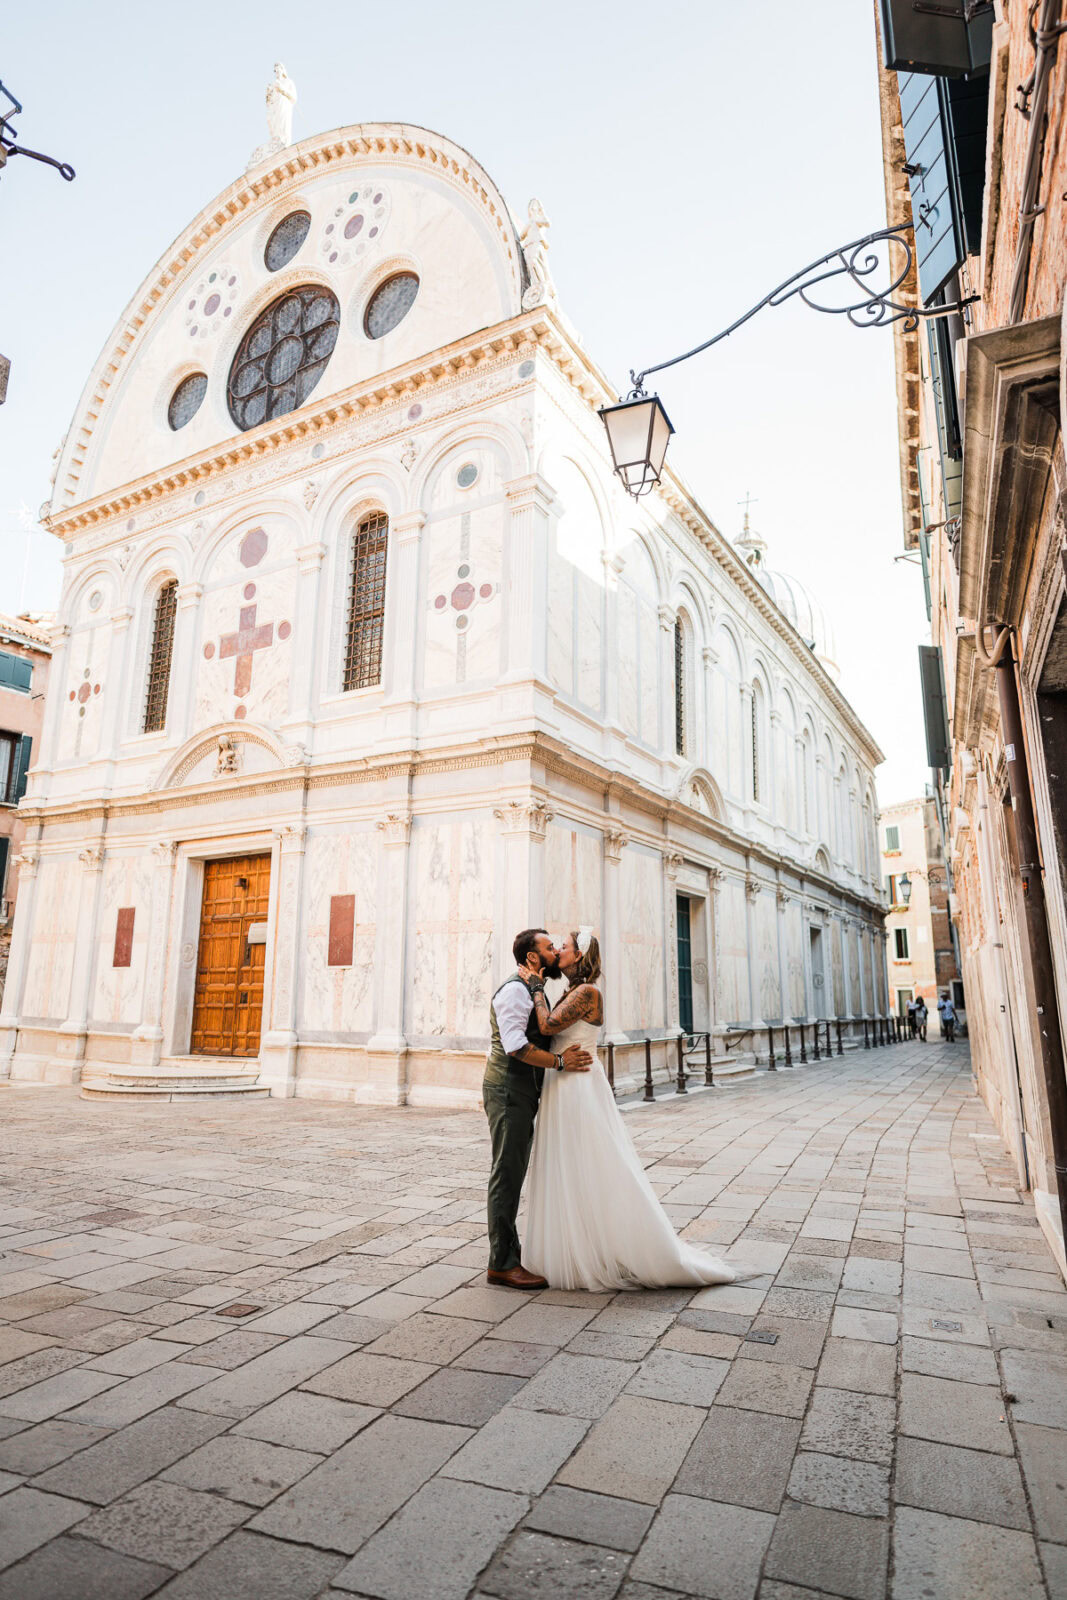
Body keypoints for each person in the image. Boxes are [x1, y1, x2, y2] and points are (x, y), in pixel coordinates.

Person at [521, 926, 738, 1293]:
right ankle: (575, 1246)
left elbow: (547, 1024)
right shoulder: (571, 990)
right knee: (567, 1165)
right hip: (563, 1083)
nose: (560, 950)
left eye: (566, 946)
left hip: (578, 1088)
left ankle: (609, 1247)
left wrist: (535, 986)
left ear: (580, 956)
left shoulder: (588, 992)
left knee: (590, 1163)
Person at [482, 929, 593, 1289]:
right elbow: (516, 1046)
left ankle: (508, 1255)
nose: (555, 951)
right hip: (508, 1088)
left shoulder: (537, 988)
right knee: (507, 1172)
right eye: (549, 948)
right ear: (532, 957)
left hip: (524, 1089)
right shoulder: (516, 990)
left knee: (514, 1169)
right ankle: (502, 1263)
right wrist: (560, 1062)